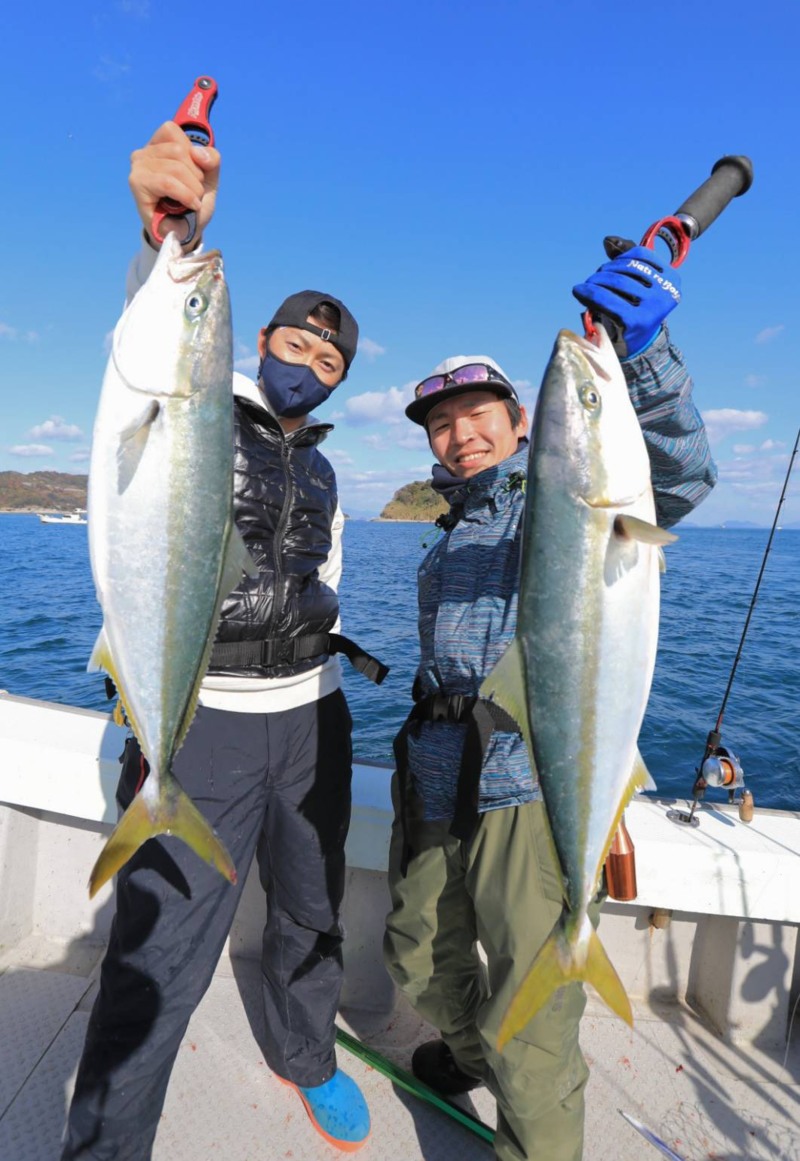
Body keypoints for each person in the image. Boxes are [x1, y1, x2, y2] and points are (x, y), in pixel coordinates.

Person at [62, 121, 386, 1159]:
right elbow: (154, 332)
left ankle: (307, 1054)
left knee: (311, 908)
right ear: (259, 345)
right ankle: (106, 1145)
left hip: (311, 724)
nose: (308, 363)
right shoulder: (197, 406)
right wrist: (164, 231)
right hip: (202, 730)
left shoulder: (329, 472)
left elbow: (325, 584)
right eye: (294, 342)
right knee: (158, 955)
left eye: (328, 358)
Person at [383, 245, 718, 1161]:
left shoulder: (557, 501)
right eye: (440, 424)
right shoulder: (446, 531)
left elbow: (677, 476)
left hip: (528, 792)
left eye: (478, 416)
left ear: (521, 421)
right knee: (416, 952)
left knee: (533, 1036)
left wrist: (641, 357)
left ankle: (525, 1107)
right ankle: (470, 1054)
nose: (460, 436)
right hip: (436, 782)